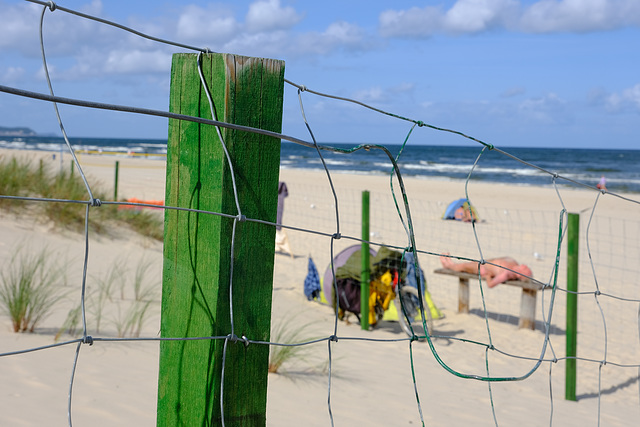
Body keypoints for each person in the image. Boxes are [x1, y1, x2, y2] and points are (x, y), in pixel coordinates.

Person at [439, 254, 532, 288]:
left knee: (462, 266)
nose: (525, 265)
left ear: (520, 275)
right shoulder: (514, 264)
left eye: (525, 269)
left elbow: (490, 284)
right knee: (467, 264)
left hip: (482, 269)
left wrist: (487, 276)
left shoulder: (507, 274)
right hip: (484, 263)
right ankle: (450, 263)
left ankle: (448, 265)